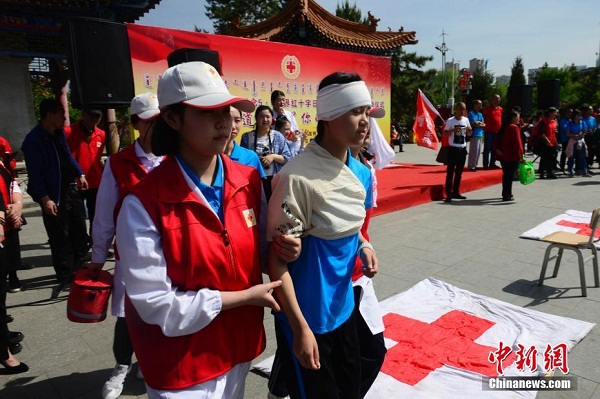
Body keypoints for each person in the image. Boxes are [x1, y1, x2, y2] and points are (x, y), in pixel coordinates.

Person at [115, 61, 298, 398]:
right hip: (182, 365)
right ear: (172, 118)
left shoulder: (247, 180)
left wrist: (282, 249)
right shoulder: (143, 203)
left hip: (238, 348)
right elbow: (156, 304)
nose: (225, 121)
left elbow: (258, 251)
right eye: (208, 111)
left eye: (228, 110)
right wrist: (244, 298)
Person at [267, 71, 380, 399]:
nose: (365, 122)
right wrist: (300, 328)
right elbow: (277, 263)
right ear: (328, 117)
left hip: (343, 307)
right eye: (356, 112)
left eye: (367, 113)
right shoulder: (297, 178)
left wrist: (364, 245)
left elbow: (350, 228)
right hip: (308, 317)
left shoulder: (359, 170)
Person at [86, 93, 163, 399]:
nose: (157, 128)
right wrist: (97, 255)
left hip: (171, 254)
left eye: (161, 121)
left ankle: (150, 363)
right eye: (150, 122)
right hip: (130, 257)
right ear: (135, 124)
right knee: (127, 315)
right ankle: (121, 367)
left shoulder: (176, 158)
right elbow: (104, 213)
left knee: (163, 311)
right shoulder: (119, 164)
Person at [21, 99, 90, 294]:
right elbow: (35, 175)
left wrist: (80, 173)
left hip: (69, 189)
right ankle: (65, 274)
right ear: (50, 115)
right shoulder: (33, 141)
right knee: (60, 236)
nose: (64, 118)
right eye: (61, 114)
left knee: (79, 230)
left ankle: (79, 268)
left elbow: (68, 156)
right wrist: (44, 198)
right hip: (52, 194)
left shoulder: (59, 134)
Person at [65, 108, 106, 237]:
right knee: (77, 216)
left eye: (97, 117)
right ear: (83, 114)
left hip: (94, 180)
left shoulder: (101, 134)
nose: (94, 120)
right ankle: (80, 245)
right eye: (91, 115)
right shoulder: (68, 133)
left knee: (96, 215)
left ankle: (96, 242)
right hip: (75, 181)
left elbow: (98, 157)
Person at [240, 105, 291, 200]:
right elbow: (242, 162)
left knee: (274, 208)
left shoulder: (278, 136)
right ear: (256, 118)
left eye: (268, 116)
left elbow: (287, 158)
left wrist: (273, 157)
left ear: (272, 118)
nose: (265, 119)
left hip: (274, 180)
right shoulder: (247, 137)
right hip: (254, 179)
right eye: (261, 116)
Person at [224, 107, 266, 178]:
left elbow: (258, 187)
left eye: (237, 120)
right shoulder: (209, 158)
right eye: (228, 120)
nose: (233, 126)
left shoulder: (251, 157)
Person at [443, 102, 472, 203]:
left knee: (459, 173)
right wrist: (453, 130)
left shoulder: (466, 120)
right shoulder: (450, 121)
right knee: (450, 172)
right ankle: (448, 194)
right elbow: (445, 134)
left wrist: (469, 130)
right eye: (460, 109)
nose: (462, 112)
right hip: (453, 149)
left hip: (462, 149)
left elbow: (469, 133)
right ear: (456, 109)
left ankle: (456, 191)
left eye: (463, 110)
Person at [495, 110, 524, 201]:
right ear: (513, 118)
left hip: (504, 155)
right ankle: (507, 194)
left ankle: (506, 193)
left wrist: (497, 150)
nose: (519, 119)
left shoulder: (504, 127)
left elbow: (496, 141)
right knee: (510, 176)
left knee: (506, 175)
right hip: (512, 156)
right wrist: (521, 156)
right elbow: (517, 143)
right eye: (517, 117)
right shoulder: (514, 128)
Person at [271, 90, 303, 155]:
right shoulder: (269, 115)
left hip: (291, 145)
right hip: (275, 147)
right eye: (279, 100)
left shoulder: (289, 114)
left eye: (283, 100)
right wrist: (280, 115)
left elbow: (295, 130)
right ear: (273, 102)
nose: (282, 102)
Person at [565, 110, 591, 177]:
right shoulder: (570, 123)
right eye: (578, 115)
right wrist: (574, 136)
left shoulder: (582, 122)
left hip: (580, 140)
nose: (580, 116)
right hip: (572, 140)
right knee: (571, 156)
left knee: (582, 156)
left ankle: (584, 171)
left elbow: (585, 131)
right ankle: (570, 171)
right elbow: (567, 133)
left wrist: (581, 135)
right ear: (575, 116)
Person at [537, 107, 559, 179]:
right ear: (550, 113)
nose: (556, 114)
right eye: (554, 112)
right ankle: (542, 173)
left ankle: (549, 173)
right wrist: (547, 140)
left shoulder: (554, 121)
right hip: (545, 142)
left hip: (552, 142)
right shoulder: (544, 121)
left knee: (551, 158)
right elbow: (542, 133)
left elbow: (554, 133)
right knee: (544, 158)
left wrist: (556, 142)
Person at [482, 94, 503, 169]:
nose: (497, 100)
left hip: (497, 132)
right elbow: (482, 119)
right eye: (496, 98)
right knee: (487, 148)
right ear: (492, 100)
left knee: (495, 148)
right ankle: (485, 165)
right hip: (489, 131)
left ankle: (492, 163)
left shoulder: (500, 109)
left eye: (499, 99)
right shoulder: (487, 109)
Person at [467, 99, 485, 171]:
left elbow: (483, 123)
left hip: (480, 134)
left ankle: (475, 164)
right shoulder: (471, 113)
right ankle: (471, 166)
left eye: (481, 104)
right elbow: (474, 123)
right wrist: (479, 123)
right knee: (473, 151)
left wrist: (479, 124)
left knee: (478, 151)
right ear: (474, 105)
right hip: (474, 134)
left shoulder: (480, 114)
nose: (480, 106)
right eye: (479, 104)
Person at [559, 108, 573, 172]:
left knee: (571, 153)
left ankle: (570, 166)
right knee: (564, 153)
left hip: (572, 139)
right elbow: (565, 129)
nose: (570, 114)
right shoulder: (563, 120)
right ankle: (562, 166)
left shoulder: (571, 120)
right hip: (565, 139)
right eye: (569, 112)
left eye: (571, 113)